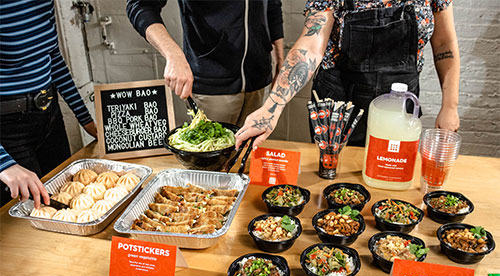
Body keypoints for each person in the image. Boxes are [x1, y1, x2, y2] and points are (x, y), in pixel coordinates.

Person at [235, 0, 460, 149]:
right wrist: (272, 107)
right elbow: (312, 44)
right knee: (334, 187)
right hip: (340, 102)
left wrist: (450, 106)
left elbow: (444, 44)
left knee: (391, 174)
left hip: (399, 105)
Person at [0, 0, 97, 208]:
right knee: (29, 219)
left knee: (66, 204)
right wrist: (4, 164)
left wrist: (86, 120)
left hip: (49, 117)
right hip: (7, 132)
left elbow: (52, 55)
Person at [126, 0, 284, 126]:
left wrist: (279, 58)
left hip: (259, 77)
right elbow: (141, 4)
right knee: (211, 161)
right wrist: (173, 54)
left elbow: (272, 4)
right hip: (212, 82)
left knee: (248, 157)